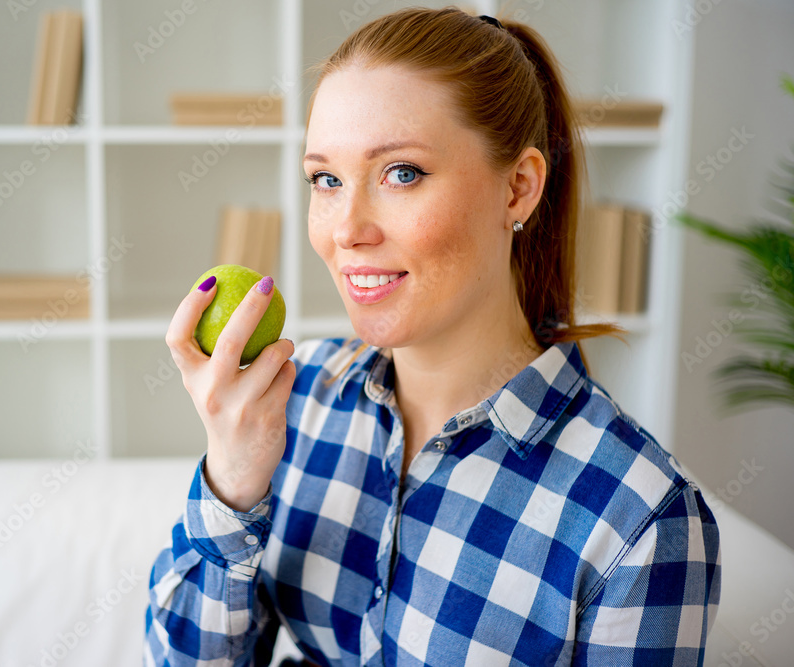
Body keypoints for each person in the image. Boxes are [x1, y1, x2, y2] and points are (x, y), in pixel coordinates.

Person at [146, 7, 720, 666]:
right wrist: (231, 481)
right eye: (326, 179)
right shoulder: (300, 403)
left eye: (401, 173)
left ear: (519, 188)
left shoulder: (640, 518)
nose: (347, 228)